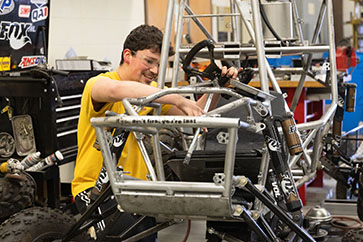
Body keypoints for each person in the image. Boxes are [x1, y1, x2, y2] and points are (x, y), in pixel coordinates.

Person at [71, 24, 237, 241]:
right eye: (149, 61)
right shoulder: (100, 83)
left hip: (139, 193)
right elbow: (116, 91)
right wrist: (174, 96)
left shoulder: (153, 96)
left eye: (160, 65)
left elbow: (196, 114)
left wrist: (219, 87)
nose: (155, 71)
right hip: (96, 190)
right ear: (128, 55)